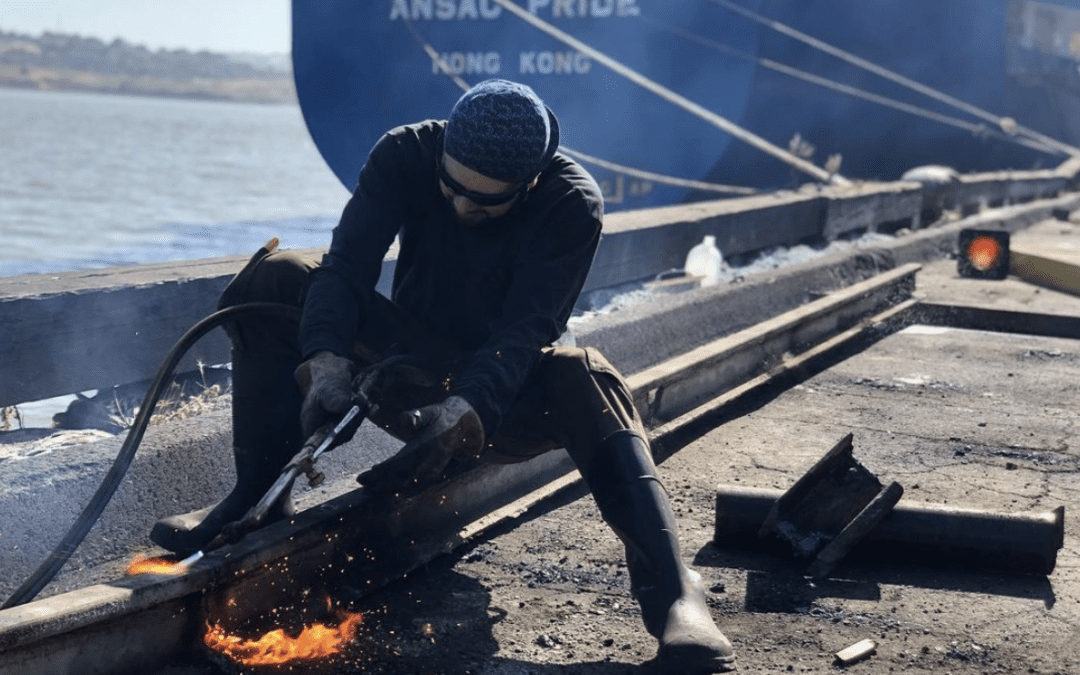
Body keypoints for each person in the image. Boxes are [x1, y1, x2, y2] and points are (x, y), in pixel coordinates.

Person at [151, 79, 737, 673]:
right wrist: (324, 357)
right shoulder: (404, 153)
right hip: (408, 366)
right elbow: (345, 268)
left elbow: (524, 331)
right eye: (451, 190)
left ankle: (674, 597)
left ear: (529, 183)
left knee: (587, 374)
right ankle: (255, 495)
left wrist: (467, 407)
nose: (462, 209)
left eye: (485, 205)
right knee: (274, 276)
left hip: (503, 399)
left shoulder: (570, 204)